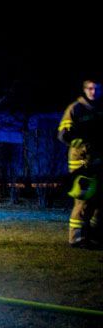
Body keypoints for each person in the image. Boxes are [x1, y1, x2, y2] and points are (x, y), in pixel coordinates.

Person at [58, 79, 102, 247]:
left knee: (99, 201)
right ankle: (77, 237)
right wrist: (78, 141)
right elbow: (63, 134)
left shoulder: (100, 109)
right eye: (90, 88)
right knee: (83, 200)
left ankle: (95, 235)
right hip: (81, 162)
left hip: (98, 161)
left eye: (96, 88)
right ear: (84, 90)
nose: (93, 92)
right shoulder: (75, 109)